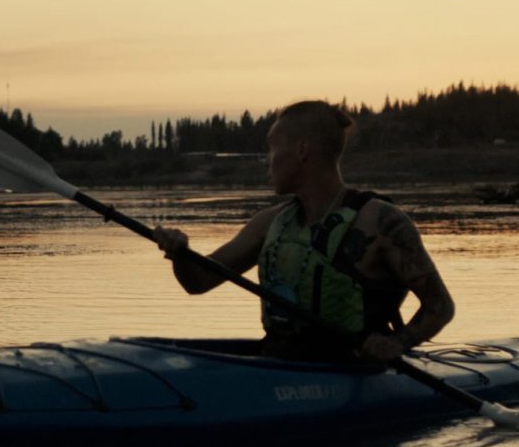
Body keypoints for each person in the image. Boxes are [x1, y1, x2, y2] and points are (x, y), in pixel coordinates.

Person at [149, 100, 454, 363]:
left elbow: (440, 306)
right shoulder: (269, 223)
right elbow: (198, 281)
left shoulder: (381, 222)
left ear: (302, 150)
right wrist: (179, 253)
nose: (269, 162)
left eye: (272, 149)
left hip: (354, 370)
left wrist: (398, 344)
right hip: (279, 362)